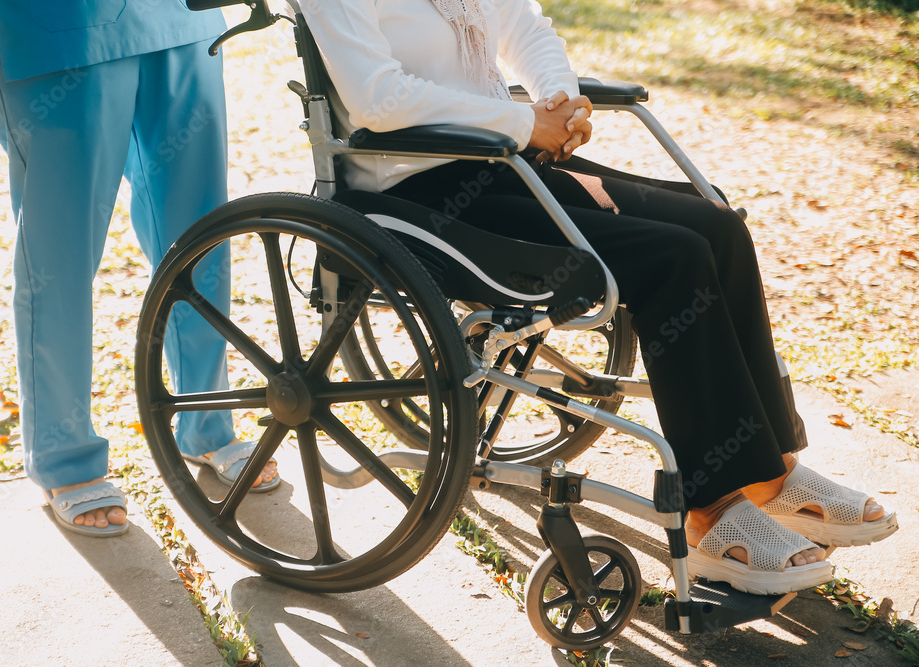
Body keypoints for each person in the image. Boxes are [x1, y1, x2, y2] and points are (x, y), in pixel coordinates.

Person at [298, 0, 898, 593]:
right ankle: (713, 508)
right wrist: (525, 122)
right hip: (417, 190)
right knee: (672, 257)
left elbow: (526, 26)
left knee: (718, 226)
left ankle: (772, 474)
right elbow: (377, 98)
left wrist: (558, 100)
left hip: (506, 163)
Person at [0, 0, 279, 537]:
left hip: (185, 18)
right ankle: (65, 459)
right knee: (60, 255)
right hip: (67, 30)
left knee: (201, 237)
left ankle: (208, 422)